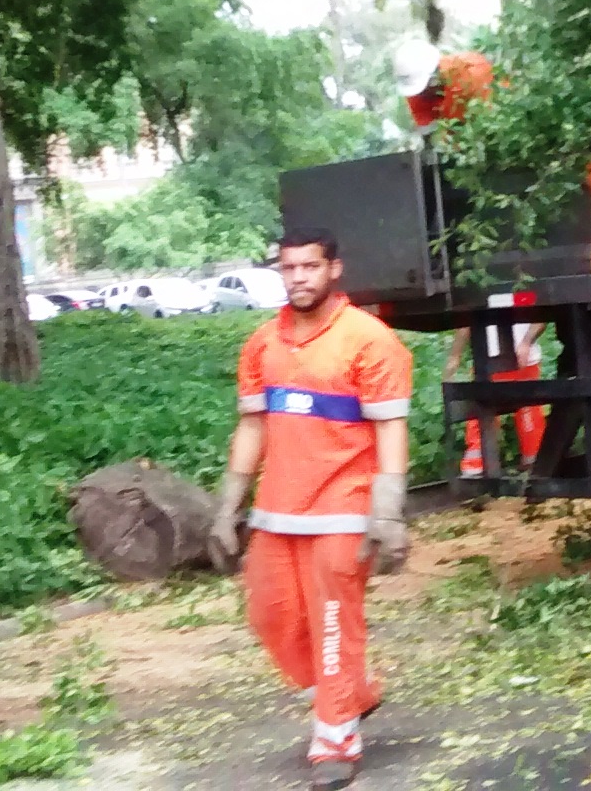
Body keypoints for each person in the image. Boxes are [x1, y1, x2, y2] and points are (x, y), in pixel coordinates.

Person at [208, 227, 414, 789]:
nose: (298, 277)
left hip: (345, 506)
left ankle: (335, 741)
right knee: (270, 617)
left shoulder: (370, 341)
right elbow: (252, 426)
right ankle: (351, 695)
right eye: (289, 268)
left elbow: (391, 430)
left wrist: (388, 514)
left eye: (309, 267)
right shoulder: (262, 344)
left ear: (334, 270)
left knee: (331, 624)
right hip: (277, 510)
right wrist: (228, 507)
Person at [449, 321, 546, 478]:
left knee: (525, 412)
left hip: (511, 360)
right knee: (523, 410)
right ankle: (535, 465)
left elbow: (464, 322)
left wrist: (455, 355)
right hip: (495, 359)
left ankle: (534, 464)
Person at [392, 39, 493, 132]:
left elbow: (490, 118)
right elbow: (427, 127)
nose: (420, 95)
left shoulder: (472, 74)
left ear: (434, 76)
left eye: (424, 89)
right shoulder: (416, 90)